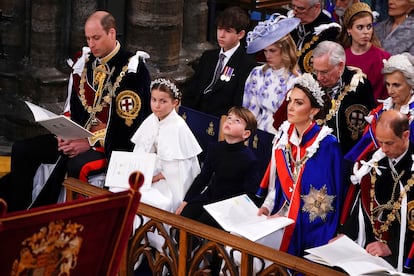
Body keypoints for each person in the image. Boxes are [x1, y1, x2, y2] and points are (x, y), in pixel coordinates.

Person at [0, 11, 151, 212]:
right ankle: (17, 214)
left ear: (112, 33)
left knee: (76, 164)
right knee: (22, 149)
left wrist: (88, 142)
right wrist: (64, 133)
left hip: (108, 146)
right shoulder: (86, 62)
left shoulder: (132, 70)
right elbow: (74, 109)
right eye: (88, 38)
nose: (92, 44)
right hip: (76, 136)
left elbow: (128, 130)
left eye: (96, 38)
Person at [256, 73, 344, 257]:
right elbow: (277, 186)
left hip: (307, 227)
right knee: (236, 245)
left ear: (313, 111)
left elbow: (321, 205)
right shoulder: (284, 136)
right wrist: (267, 206)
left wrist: (286, 219)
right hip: (279, 216)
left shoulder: (326, 145)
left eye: (299, 103)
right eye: (290, 101)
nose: (290, 107)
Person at [337, 109, 414, 274]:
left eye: (389, 143)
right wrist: (347, 236)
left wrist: (391, 247)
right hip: (370, 250)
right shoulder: (375, 160)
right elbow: (363, 205)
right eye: (380, 142)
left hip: (403, 254)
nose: (384, 149)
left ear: (406, 135)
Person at [176, 106, 260, 229]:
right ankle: (181, 248)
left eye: (237, 121)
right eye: (229, 118)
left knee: (203, 224)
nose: (230, 121)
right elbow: (203, 178)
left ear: (246, 133)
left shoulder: (250, 160)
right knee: (186, 215)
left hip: (228, 206)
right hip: (210, 196)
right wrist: (186, 200)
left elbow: (249, 194)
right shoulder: (215, 148)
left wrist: (232, 211)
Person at [130, 78, 202, 213]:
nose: (157, 106)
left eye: (163, 101)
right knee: (120, 190)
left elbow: (178, 169)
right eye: (153, 100)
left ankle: (151, 233)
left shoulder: (178, 127)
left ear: (174, 103)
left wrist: (154, 178)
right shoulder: (151, 120)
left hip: (168, 180)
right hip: (148, 173)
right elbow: (140, 151)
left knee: (155, 201)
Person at [182, 6, 257, 117]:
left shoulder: (247, 64)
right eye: (219, 29)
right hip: (196, 114)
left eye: (228, 31)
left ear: (240, 34)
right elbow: (193, 89)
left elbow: (238, 102)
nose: (221, 35)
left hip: (222, 121)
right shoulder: (208, 57)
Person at [345, 53, 414, 163]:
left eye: (396, 85)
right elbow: (363, 147)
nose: (390, 91)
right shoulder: (381, 110)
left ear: (411, 84)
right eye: (388, 84)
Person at [311, 40, 375, 155]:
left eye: (324, 72)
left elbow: (360, 135)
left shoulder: (358, 88)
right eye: (316, 71)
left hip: (345, 157)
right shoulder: (312, 81)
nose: (319, 77)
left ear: (340, 66)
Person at [242, 14, 300, 135]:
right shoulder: (257, 73)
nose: (268, 55)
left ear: (285, 50)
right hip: (256, 133)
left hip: (283, 136)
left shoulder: (296, 80)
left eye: (272, 51)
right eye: (265, 51)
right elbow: (249, 111)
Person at [337, 2, 390, 102]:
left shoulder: (383, 58)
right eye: (360, 27)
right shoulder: (340, 57)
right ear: (349, 29)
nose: (366, 32)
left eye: (369, 26)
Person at [289, 0, 341, 73]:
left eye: (301, 9)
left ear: (317, 7)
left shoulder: (329, 32)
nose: (294, 12)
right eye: (293, 7)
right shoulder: (291, 24)